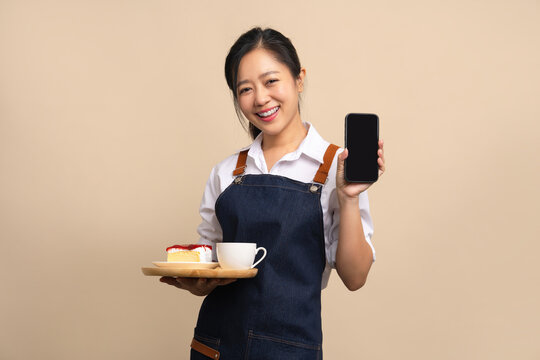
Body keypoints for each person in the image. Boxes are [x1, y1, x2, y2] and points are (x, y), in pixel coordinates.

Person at [160, 27, 385, 359]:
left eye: (270, 81)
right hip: (217, 345)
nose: (260, 98)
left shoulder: (337, 168)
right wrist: (198, 282)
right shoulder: (226, 172)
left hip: (290, 351)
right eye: (245, 89)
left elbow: (355, 277)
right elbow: (209, 259)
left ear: (299, 80)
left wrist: (348, 197)